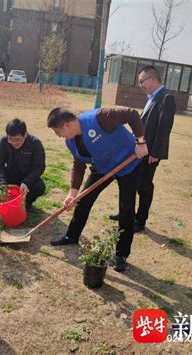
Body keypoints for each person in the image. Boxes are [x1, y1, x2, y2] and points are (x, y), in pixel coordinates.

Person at [47, 107, 148, 272]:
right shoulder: (71, 141)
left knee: (126, 209)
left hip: (129, 163)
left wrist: (141, 142)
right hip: (102, 168)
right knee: (83, 201)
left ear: (66, 125)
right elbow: (79, 165)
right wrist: (72, 194)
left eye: (58, 132)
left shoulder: (101, 117)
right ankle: (71, 236)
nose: (58, 136)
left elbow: (132, 114)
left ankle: (121, 255)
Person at [109, 65, 175, 232]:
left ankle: (140, 219)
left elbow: (164, 128)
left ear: (153, 78)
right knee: (130, 181)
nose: (140, 85)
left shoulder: (166, 98)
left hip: (150, 152)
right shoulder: (152, 97)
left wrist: (156, 153)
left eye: (142, 81)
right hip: (139, 149)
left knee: (144, 186)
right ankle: (126, 213)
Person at [0, 118, 46, 212]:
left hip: (25, 177)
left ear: (25, 134)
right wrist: (3, 184)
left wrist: (27, 182)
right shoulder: (3, 142)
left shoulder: (35, 143)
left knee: (40, 186)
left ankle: (27, 204)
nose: (14, 143)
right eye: (11, 139)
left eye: (18, 139)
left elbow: (39, 167)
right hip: (9, 174)